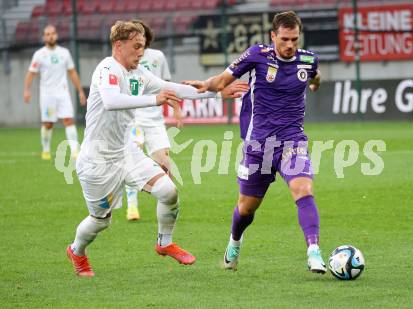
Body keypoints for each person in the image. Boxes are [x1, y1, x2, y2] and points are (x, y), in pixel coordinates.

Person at [66, 21, 247, 277]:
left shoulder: (139, 73)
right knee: (100, 220)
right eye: (137, 46)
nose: (141, 52)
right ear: (119, 45)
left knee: (168, 191)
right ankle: (77, 251)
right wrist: (155, 99)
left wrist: (216, 94)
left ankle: (164, 243)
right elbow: (110, 100)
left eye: (143, 47)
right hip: (97, 160)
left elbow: (174, 89)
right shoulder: (107, 68)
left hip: (126, 152)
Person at [183, 11, 327, 274]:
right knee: (246, 209)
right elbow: (224, 80)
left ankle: (314, 251)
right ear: (273, 36)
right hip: (258, 145)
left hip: (292, 141)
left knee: (303, 189)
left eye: (294, 39)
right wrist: (205, 85)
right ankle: (234, 242)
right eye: (284, 39)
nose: (290, 45)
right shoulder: (257, 55)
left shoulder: (308, 60)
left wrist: (316, 83)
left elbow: (315, 75)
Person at [125, 20, 175, 221]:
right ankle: (132, 206)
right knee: (132, 161)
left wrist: (177, 111)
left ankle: (165, 203)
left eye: (141, 37)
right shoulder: (126, 62)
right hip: (135, 119)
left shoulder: (158, 57)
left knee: (165, 163)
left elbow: (168, 86)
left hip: (155, 120)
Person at [23, 24, 87, 160]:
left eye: (52, 33)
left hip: (63, 93)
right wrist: (27, 90)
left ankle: (75, 151)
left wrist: (80, 91)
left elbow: (72, 73)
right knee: (48, 124)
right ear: (44, 37)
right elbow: (31, 73)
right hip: (47, 95)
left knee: (69, 120)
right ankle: (46, 150)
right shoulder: (39, 54)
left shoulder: (64, 53)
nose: (50, 36)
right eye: (47, 34)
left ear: (56, 35)